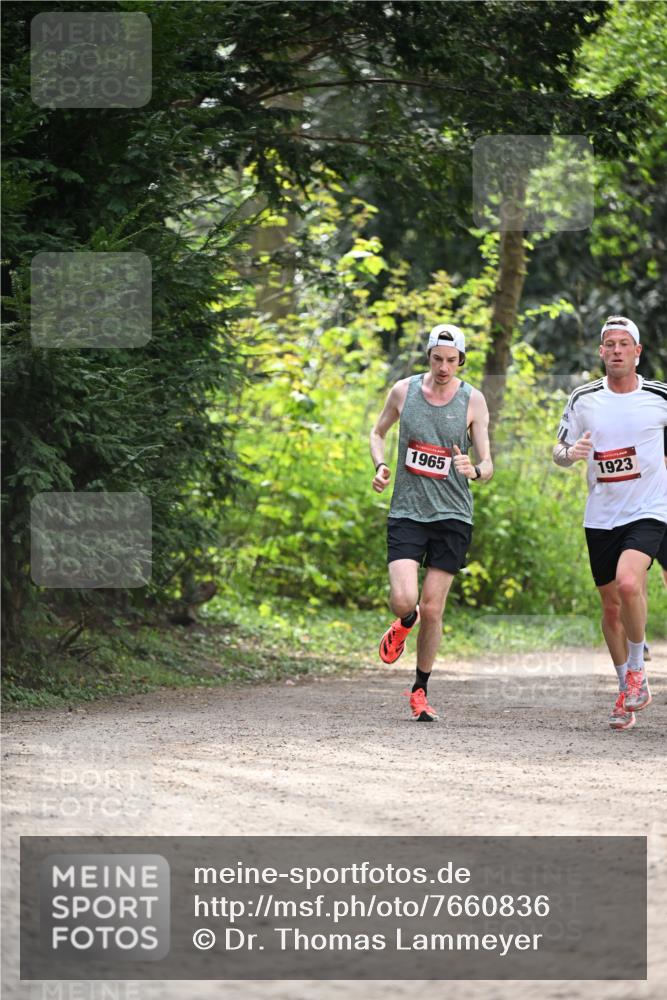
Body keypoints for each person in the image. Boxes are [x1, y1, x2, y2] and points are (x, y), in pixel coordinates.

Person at [369, 324, 493, 721]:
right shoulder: (403, 391)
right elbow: (377, 432)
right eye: (437, 359)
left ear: (461, 361)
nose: (443, 367)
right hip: (407, 510)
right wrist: (382, 464)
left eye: (451, 361)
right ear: (428, 357)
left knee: (433, 608)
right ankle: (405, 621)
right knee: (406, 601)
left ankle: (420, 690)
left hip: (453, 516)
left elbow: (488, 465)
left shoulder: (473, 401)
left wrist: (472, 469)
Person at [552, 316, 667, 731]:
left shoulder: (659, 396)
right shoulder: (584, 399)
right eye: (609, 344)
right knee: (610, 606)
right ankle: (625, 689)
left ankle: (637, 669)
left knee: (630, 583)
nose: (616, 350)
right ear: (601, 352)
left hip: (649, 509)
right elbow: (558, 450)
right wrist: (572, 452)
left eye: (624, 344)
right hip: (601, 516)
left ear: (638, 352)